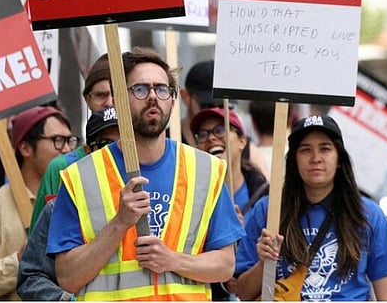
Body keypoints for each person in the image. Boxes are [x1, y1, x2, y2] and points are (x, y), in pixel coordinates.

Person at [48, 47, 245, 300]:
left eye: (162, 89)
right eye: (140, 89)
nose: (153, 97)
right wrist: (120, 222)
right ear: (118, 100)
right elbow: (67, 278)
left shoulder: (207, 170)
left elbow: (226, 266)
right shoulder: (79, 176)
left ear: (173, 101)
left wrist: (172, 260)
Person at [235, 114, 387, 301]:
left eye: (325, 149)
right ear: (294, 160)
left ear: (339, 158)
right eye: (305, 150)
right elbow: (243, 294)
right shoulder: (268, 211)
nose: (316, 158)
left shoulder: (367, 214)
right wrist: (264, 262)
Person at [0, 106, 74, 301]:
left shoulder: (77, 198)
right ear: (25, 148)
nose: (68, 149)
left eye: (70, 140)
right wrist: (20, 260)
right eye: (57, 141)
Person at [191, 106, 269, 300]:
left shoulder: (265, 196)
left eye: (220, 130)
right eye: (202, 134)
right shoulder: (189, 194)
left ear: (242, 141)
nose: (211, 138)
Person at [31, 106, 122, 227]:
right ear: (87, 151)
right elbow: (39, 239)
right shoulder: (63, 169)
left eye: (123, 143)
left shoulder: (144, 176)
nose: (115, 151)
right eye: (105, 145)